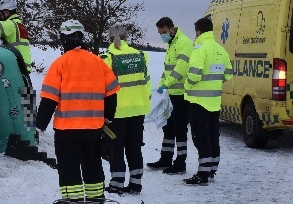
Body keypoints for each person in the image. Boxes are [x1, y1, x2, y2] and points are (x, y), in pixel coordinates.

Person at [36, 20, 120, 200]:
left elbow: (49, 99)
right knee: (93, 165)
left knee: (69, 168)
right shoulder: (98, 62)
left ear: (64, 38)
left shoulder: (60, 64)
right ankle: (96, 202)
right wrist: (107, 120)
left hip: (67, 131)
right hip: (93, 130)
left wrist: (39, 125)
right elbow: (111, 95)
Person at [100, 26, 151, 194]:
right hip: (139, 109)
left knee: (116, 147)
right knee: (134, 147)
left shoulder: (107, 58)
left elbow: (102, 88)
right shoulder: (141, 56)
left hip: (117, 112)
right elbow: (147, 83)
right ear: (126, 38)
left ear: (110, 39)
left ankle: (117, 183)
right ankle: (136, 183)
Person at [183, 17, 233, 185]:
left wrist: (187, 85)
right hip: (214, 102)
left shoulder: (199, 49)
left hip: (198, 101)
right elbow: (228, 74)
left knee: (200, 137)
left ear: (198, 31)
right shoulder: (220, 49)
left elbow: (194, 75)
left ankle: (202, 175)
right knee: (213, 136)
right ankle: (211, 170)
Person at [147, 17, 194, 174]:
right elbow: (167, 68)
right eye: (160, 33)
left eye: (164, 32)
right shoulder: (171, 44)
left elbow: (181, 68)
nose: (162, 35)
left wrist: (168, 82)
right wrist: (162, 83)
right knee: (168, 128)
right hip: (170, 94)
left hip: (181, 93)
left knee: (180, 129)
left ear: (172, 28)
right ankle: (165, 158)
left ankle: (180, 162)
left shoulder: (183, 43)